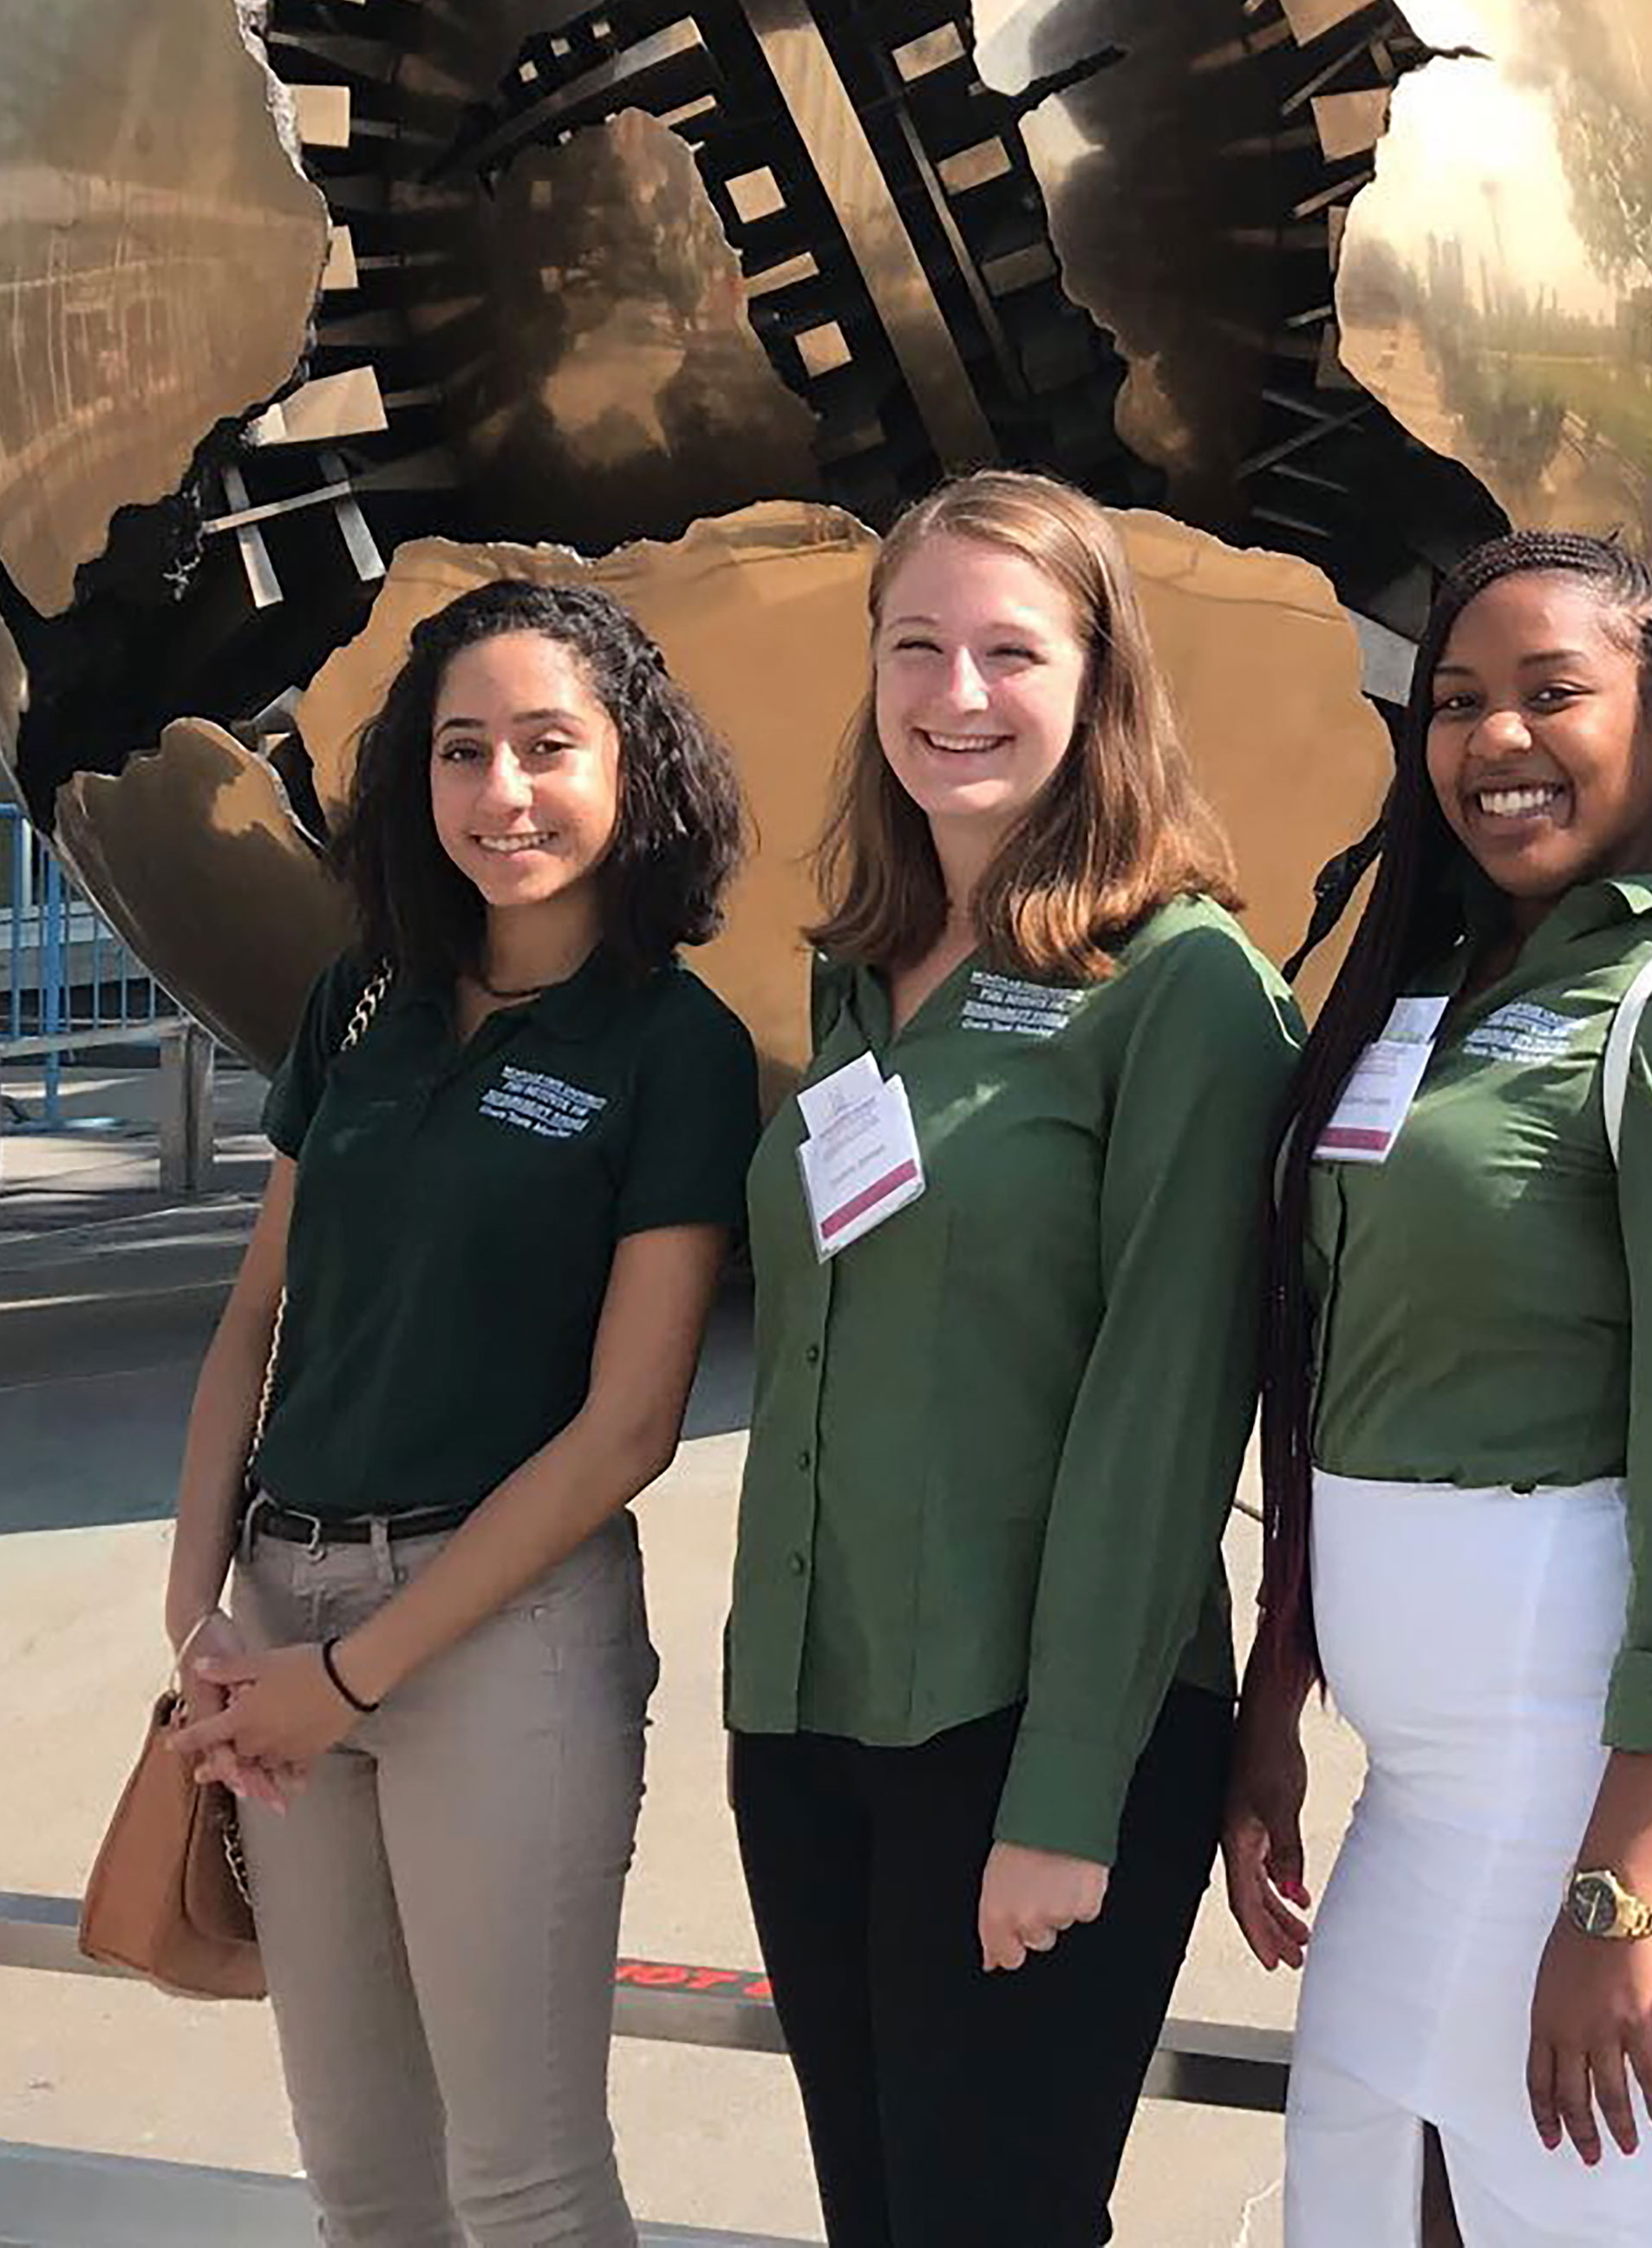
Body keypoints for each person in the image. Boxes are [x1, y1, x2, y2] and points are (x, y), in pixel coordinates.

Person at [1222, 530, 1652, 2247]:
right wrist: (1275, 1691)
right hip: (1423, 1803)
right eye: (1455, 701)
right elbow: (1338, 1365)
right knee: (1366, 2207)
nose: (1494, 737)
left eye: (1551, 692)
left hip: (1625, 1816)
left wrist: (1622, 1890)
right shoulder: (1419, 998)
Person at [726, 472, 1300, 2245]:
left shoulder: (1181, 986)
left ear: (1098, 679)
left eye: (1007, 650)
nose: (954, 693)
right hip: (814, 1718)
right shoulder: (859, 976)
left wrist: (1065, 1801)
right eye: (919, 646)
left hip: (1039, 1730)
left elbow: (1164, 1417)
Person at [163, 578, 758, 2248]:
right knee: (364, 2180)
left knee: (524, 2179)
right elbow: (252, 1322)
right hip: (278, 1618)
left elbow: (629, 1426)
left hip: (502, 1639)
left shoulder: (674, 1047)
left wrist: (353, 1671)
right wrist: (196, 1608)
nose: (503, 792)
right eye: (462, 751)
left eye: (548, 746)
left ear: (632, 765)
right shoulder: (360, 1003)